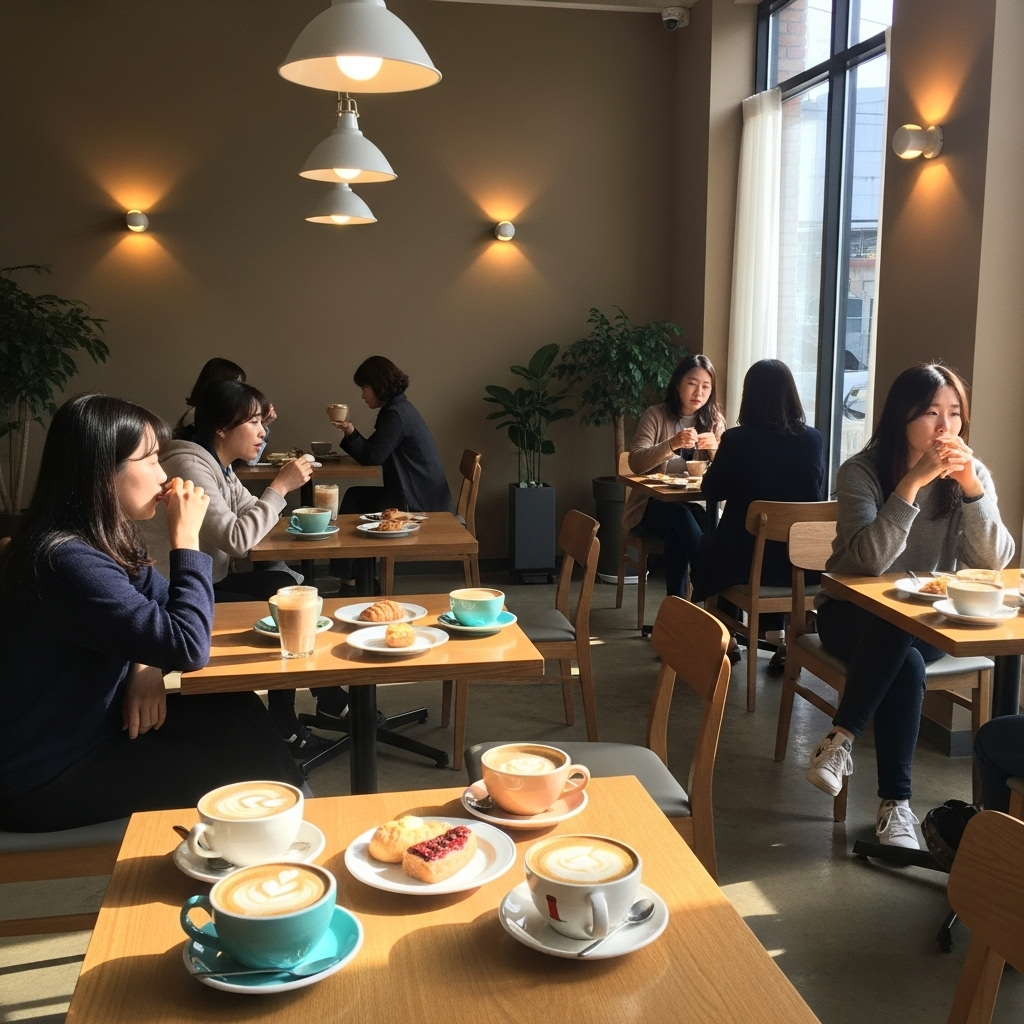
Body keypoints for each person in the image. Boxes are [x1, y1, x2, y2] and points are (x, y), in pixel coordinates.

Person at [0, 394, 304, 832]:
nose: (165, 477)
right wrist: (186, 538)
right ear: (104, 473)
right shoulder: (63, 559)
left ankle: (295, 831)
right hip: (45, 772)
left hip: (96, 727)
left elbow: (164, 611)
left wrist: (143, 663)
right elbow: (189, 644)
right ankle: (279, 850)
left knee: (235, 711)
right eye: (151, 460)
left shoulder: (102, 538)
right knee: (221, 776)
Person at [806, 364, 1014, 849]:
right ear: (902, 417)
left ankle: (840, 742)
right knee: (903, 648)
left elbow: (996, 561)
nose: (946, 429)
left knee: (905, 642)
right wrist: (910, 486)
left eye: (955, 414)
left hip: (922, 621)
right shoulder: (861, 471)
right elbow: (864, 563)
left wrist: (972, 490)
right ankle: (895, 807)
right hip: (848, 614)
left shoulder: (970, 473)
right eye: (930, 414)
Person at [150, 380, 345, 757]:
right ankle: (295, 716)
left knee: (283, 586)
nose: (263, 432)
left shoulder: (216, 464)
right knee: (281, 599)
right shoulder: (190, 465)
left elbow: (250, 511)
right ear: (222, 428)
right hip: (171, 594)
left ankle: (310, 703)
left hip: (204, 581)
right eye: (254, 423)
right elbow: (239, 538)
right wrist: (282, 486)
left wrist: (272, 495)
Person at [690, 359, 824, 667]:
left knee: (710, 547)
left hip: (747, 563)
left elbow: (712, 490)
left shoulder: (737, 440)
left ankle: (727, 637)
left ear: (749, 396)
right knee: (755, 544)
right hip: (800, 565)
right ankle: (780, 639)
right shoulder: (813, 440)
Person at [329, 356, 453, 591]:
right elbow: (372, 452)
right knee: (356, 497)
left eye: (364, 387)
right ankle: (355, 579)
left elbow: (372, 457)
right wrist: (349, 430)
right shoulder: (397, 409)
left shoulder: (396, 415)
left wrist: (350, 432)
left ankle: (353, 582)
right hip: (415, 494)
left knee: (356, 500)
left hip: (419, 503)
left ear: (378, 385)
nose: (363, 395)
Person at [624, 354, 726, 598]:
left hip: (697, 507)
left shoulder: (714, 422)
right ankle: (707, 578)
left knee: (685, 527)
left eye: (705, 386)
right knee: (679, 516)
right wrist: (671, 444)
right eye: (692, 383)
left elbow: (728, 474)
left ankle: (677, 605)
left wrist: (715, 449)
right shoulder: (656, 415)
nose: (698, 392)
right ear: (678, 384)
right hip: (650, 508)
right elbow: (636, 462)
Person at [174, 357, 276, 461]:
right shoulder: (195, 419)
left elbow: (250, 460)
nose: (240, 391)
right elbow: (248, 462)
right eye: (235, 384)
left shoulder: (225, 467)